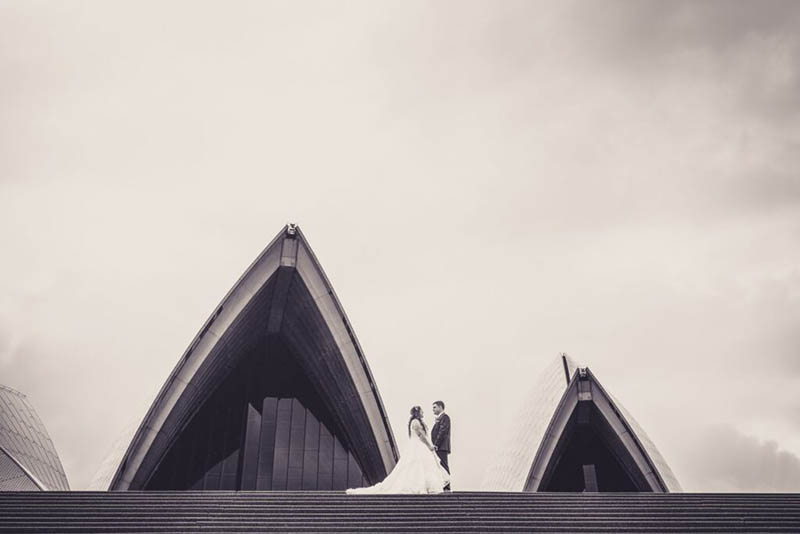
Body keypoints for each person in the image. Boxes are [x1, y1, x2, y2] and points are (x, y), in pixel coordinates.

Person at [346, 406, 450, 494]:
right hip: (419, 445)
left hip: (418, 446)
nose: (423, 412)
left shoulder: (416, 421)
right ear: (418, 412)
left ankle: (424, 487)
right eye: (422, 411)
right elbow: (421, 435)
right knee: (419, 465)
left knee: (420, 466)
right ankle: (420, 486)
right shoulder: (415, 422)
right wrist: (429, 446)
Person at [431, 400, 451, 491]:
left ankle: (447, 485)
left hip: (441, 446)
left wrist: (436, 444)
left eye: (434, 407)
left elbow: (442, 431)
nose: (433, 409)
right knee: (440, 465)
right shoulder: (440, 418)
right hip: (439, 446)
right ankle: (443, 484)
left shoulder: (445, 417)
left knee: (443, 465)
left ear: (440, 407)